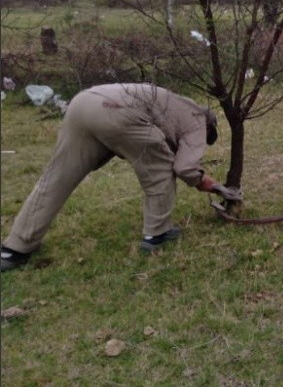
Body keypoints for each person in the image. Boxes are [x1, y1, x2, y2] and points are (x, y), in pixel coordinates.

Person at [1, 83, 241, 272]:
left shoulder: (175, 102)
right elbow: (185, 168)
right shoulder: (199, 120)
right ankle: (157, 234)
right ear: (210, 128)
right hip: (116, 111)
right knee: (160, 169)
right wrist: (205, 182)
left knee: (55, 179)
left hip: (83, 103)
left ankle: (15, 248)